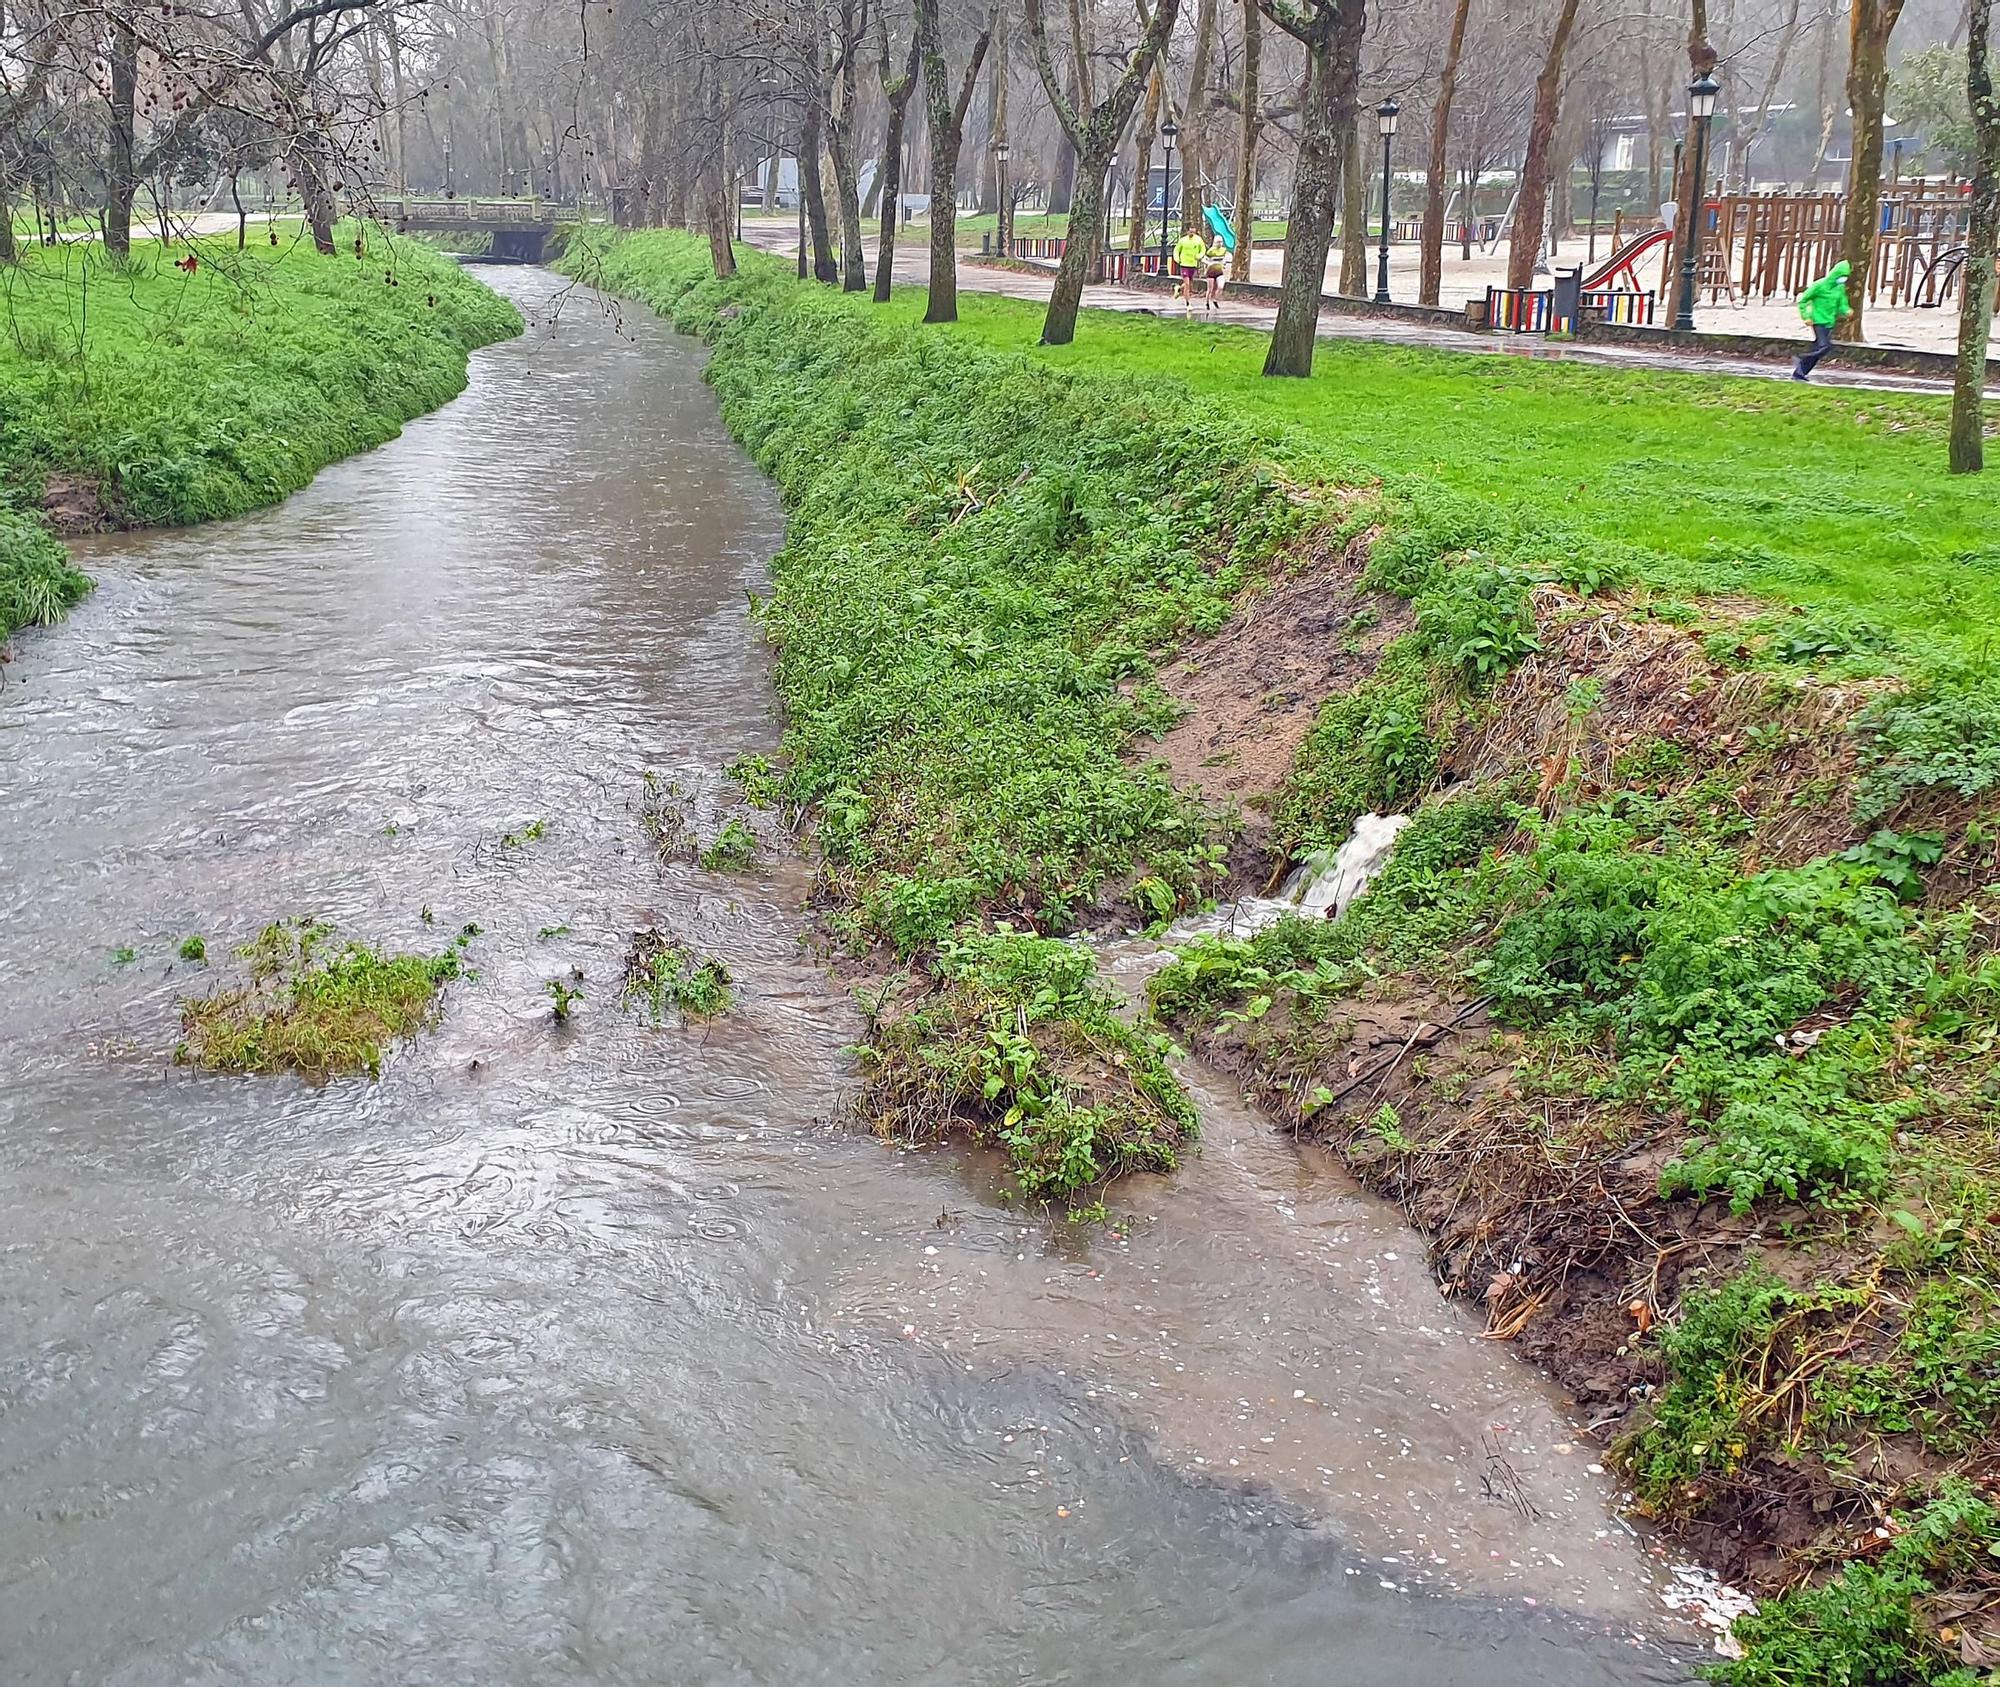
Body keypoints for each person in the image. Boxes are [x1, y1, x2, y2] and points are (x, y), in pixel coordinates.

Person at [1793, 259, 1852, 381]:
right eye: (1842, 276)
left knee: (1818, 350)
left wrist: (1846, 311)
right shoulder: (1819, 285)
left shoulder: (1839, 288)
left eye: (1845, 277)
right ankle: (1801, 357)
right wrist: (1806, 317)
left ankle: (1800, 373)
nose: (1843, 279)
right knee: (1824, 346)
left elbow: (1842, 303)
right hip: (1818, 320)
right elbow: (1803, 300)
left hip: (1830, 321)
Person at [1172, 225, 1207, 317]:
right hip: (1184, 264)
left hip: (1193, 264)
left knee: (1189, 284)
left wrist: (1199, 256)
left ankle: (1178, 288)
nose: (1192, 233)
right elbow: (1176, 250)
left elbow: (1203, 250)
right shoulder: (1183, 240)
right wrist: (1177, 259)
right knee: (1187, 284)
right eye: (1190, 232)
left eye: (1193, 231)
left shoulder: (1198, 240)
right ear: (1187, 232)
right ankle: (1188, 304)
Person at [1204, 231, 1229, 311]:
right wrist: (1209, 264)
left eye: (1221, 242)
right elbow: (1205, 259)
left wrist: (1223, 264)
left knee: (1221, 286)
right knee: (1210, 289)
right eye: (1218, 242)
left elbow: (1224, 259)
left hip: (1219, 271)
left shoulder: (1224, 250)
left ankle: (1215, 299)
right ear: (1215, 242)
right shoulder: (1211, 251)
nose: (1220, 243)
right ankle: (1207, 302)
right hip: (1211, 271)